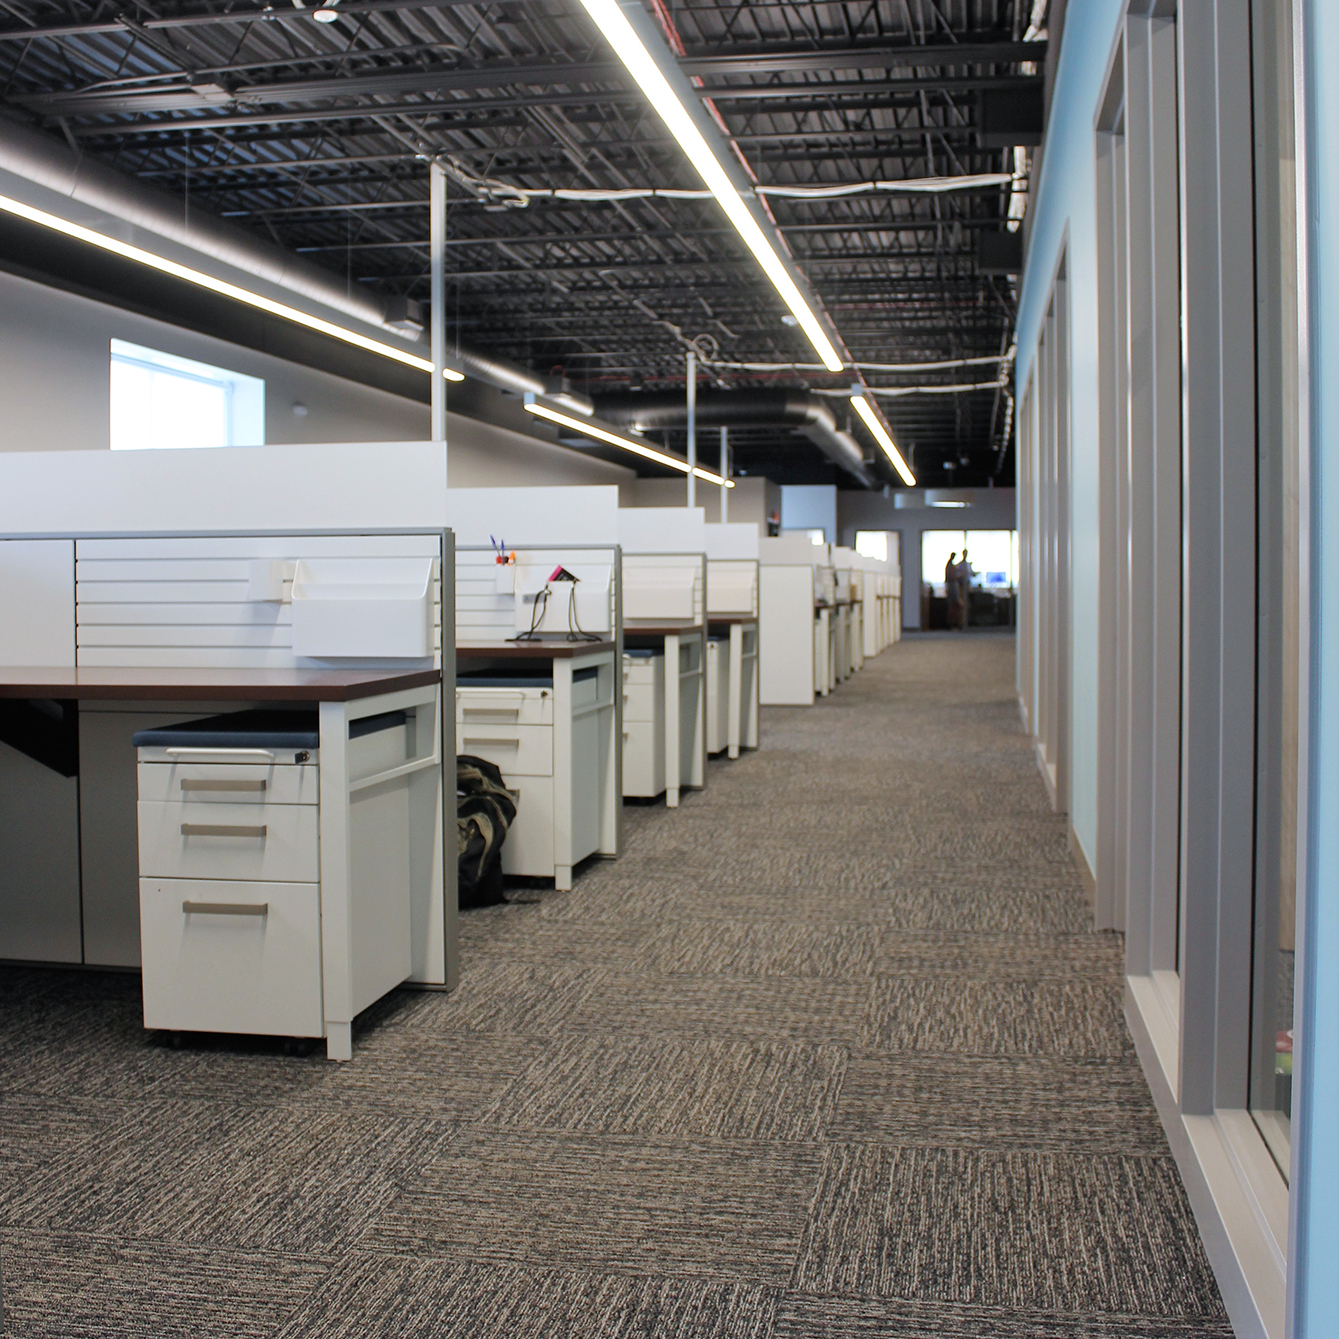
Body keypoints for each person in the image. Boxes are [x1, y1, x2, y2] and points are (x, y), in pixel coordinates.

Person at [954, 549, 975, 628]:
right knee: (962, 603)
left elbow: (971, 574)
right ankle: (962, 622)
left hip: (967, 585)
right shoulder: (960, 565)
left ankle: (967, 621)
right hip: (962, 586)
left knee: (968, 603)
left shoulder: (968, 565)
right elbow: (957, 575)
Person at [944, 551, 960, 628]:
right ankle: (951, 623)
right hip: (952, 586)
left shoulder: (950, 565)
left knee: (953, 605)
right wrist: (961, 574)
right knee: (953, 605)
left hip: (952, 585)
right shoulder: (950, 566)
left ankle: (952, 623)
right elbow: (952, 576)